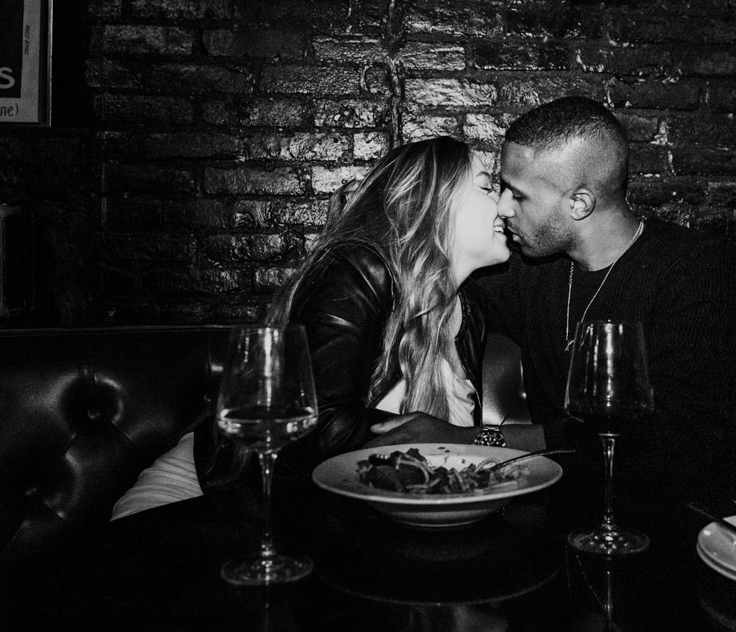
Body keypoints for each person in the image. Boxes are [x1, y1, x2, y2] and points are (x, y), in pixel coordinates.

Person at [365, 97, 736, 547]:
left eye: (518, 194)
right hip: (570, 533)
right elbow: (420, 268)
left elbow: (673, 446)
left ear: (579, 203)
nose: (502, 207)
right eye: (500, 188)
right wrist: (358, 235)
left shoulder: (706, 273)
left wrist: (470, 438)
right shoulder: (529, 273)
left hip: (702, 535)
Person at [112, 136, 509, 519]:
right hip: (207, 497)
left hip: (308, 520)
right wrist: (445, 437)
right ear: (430, 201)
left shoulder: (467, 312)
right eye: (487, 187)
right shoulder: (361, 269)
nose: (504, 206)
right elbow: (315, 427)